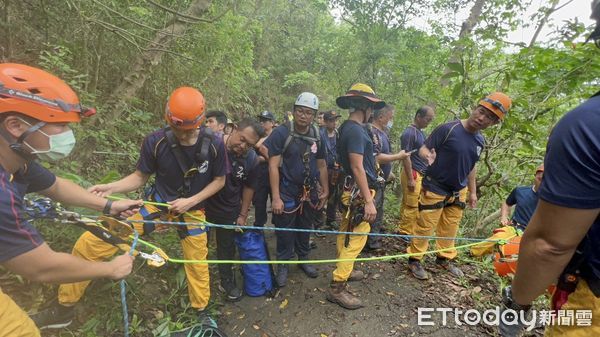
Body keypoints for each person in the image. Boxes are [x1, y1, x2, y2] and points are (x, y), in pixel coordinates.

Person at [33, 87, 228, 328]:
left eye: (185, 129)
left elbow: (220, 181)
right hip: (157, 204)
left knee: (197, 260)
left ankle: (202, 311)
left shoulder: (215, 144)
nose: (180, 133)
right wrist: (111, 187)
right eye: (176, 127)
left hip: (192, 211)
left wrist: (191, 200)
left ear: (198, 123)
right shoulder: (157, 142)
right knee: (92, 241)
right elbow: (140, 176)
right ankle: (64, 308)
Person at [0, 63, 142, 336]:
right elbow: (41, 267)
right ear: (15, 125)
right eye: (60, 125)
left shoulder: (19, 161)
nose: (68, 135)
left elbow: (56, 187)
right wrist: (109, 268)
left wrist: (110, 205)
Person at [499, 4, 600, 335]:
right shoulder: (523, 192)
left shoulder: (588, 127)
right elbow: (510, 206)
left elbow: (549, 245)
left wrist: (517, 305)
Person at [407, 92, 511, 280]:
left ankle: (444, 258)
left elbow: (471, 166)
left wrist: (472, 192)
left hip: (458, 190)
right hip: (435, 186)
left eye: (489, 118)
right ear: (474, 109)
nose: (481, 118)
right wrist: (427, 156)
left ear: (493, 124)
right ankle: (415, 259)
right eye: (481, 112)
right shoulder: (448, 129)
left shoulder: (480, 141)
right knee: (425, 225)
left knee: (450, 227)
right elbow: (424, 147)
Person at [327, 83, 407, 309]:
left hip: (350, 189)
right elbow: (357, 166)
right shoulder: (353, 130)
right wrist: (369, 201)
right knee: (357, 237)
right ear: (364, 106)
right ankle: (337, 286)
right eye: (371, 107)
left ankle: (345, 268)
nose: (373, 111)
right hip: (358, 192)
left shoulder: (351, 127)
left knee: (346, 232)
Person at [263, 92, 328, 287]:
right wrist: (275, 197)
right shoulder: (282, 133)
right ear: (294, 111)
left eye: (309, 113)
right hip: (287, 190)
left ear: (314, 115)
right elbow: (273, 166)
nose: (304, 116)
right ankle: (283, 264)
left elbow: (322, 164)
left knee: (305, 226)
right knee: (284, 229)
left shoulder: (317, 135)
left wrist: (326, 189)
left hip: (309, 191)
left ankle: (303, 258)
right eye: (300, 111)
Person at [206, 118, 265, 301]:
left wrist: (242, 214)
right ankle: (200, 282)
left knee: (226, 247)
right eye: (241, 139)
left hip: (229, 209)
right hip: (202, 206)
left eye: (249, 144)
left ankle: (226, 280)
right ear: (233, 129)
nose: (243, 146)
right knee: (200, 245)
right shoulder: (211, 146)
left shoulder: (251, 160)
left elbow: (249, 188)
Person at [470, 164, 544, 257]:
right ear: (535, 177)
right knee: (498, 237)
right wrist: (504, 217)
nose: (542, 183)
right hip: (515, 228)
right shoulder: (520, 191)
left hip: (534, 236)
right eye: (540, 179)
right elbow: (506, 203)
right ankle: (472, 253)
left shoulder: (551, 200)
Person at [366, 104, 410, 250]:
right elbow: (376, 158)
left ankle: (373, 238)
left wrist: (389, 172)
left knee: (378, 210)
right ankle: (370, 242)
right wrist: (398, 156)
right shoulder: (373, 133)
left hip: (382, 179)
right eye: (390, 118)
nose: (391, 120)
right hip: (372, 180)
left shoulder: (383, 133)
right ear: (380, 117)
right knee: (373, 211)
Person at [398, 106, 435, 242]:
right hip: (412, 172)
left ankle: (403, 228)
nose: (428, 122)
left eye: (430, 120)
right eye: (427, 119)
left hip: (419, 172)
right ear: (418, 116)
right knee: (412, 204)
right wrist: (410, 178)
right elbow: (405, 156)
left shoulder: (420, 132)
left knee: (409, 201)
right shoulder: (409, 133)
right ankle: (405, 232)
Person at [252, 111, 275, 228]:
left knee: (275, 198)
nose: (262, 123)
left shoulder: (277, 136)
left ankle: (278, 225)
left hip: (273, 173)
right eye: (260, 120)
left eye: (265, 121)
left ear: (272, 123)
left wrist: (264, 158)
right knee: (259, 201)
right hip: (259, 174)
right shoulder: (256, 136)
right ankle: (259, 226)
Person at [319, 110, 341, 230]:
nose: (335, 123)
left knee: (334, 195)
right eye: (332, 120)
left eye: (336, 120)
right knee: (322, 193)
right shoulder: (320, 134)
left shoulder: (338, 134)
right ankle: (317, 222)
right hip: (323, 169)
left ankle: (330, 219)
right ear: (326, 122)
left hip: (335, 170)